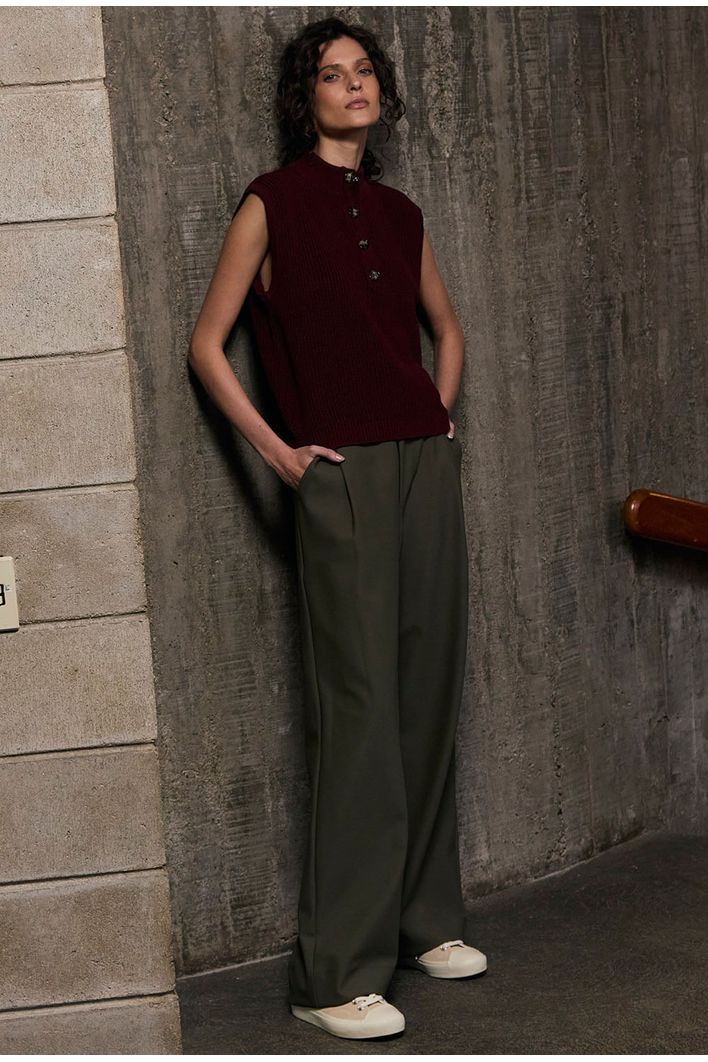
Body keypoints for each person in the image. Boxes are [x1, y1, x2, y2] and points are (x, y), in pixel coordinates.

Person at [188, 15, 487, 1042]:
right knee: (360, 710)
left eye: (365, 72)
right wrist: (280, 453)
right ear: (304, 96)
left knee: (426, 690)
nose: (352, 85)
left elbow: (447, 328)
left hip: (421, 467)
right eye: (331, 73)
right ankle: (334, 975)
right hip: (340, 474)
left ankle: (423, 922)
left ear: (381, 92)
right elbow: (206, 344)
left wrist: (436, 416)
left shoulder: (401, 213)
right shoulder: (271, 202)